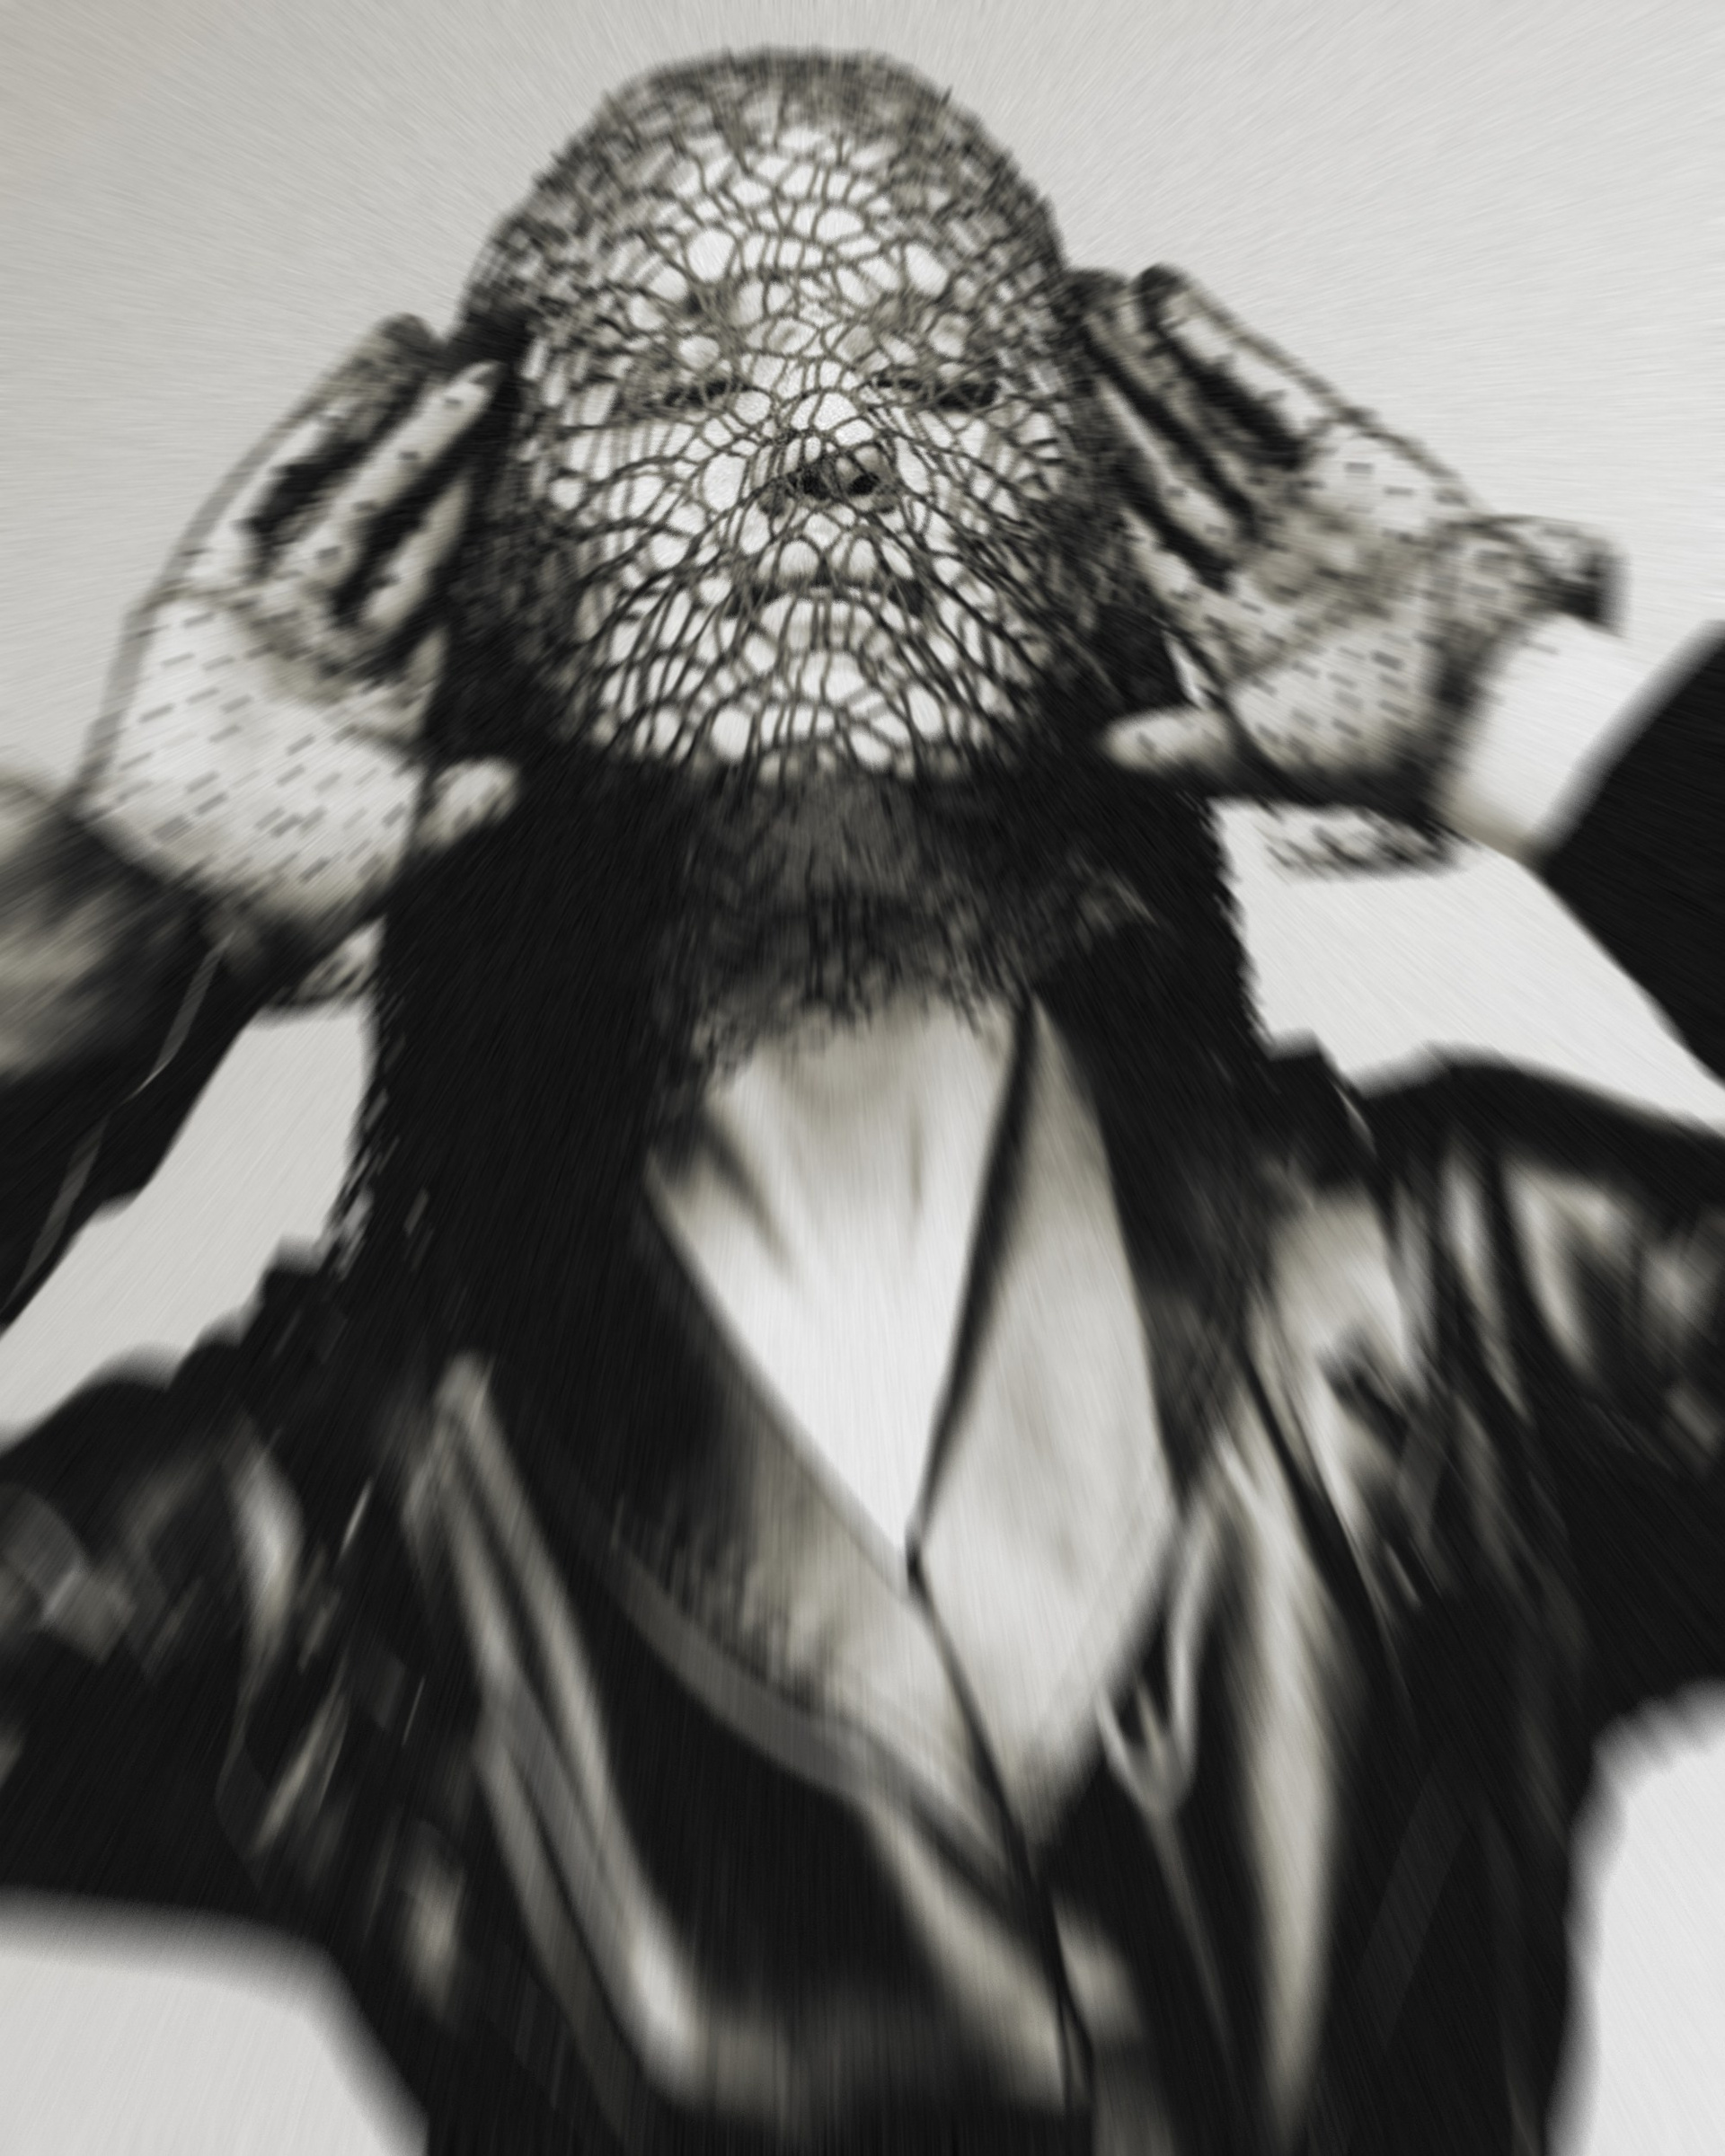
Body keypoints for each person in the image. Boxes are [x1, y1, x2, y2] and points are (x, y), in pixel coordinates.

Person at [1, 47, 1721, 2156]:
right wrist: (114, 926)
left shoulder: (1487, 1313)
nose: (822, 456)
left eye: (946, 385)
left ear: (1099, 549)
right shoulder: (323, 1519)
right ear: (488, 573)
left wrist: (1542, 729)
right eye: (675, 394)